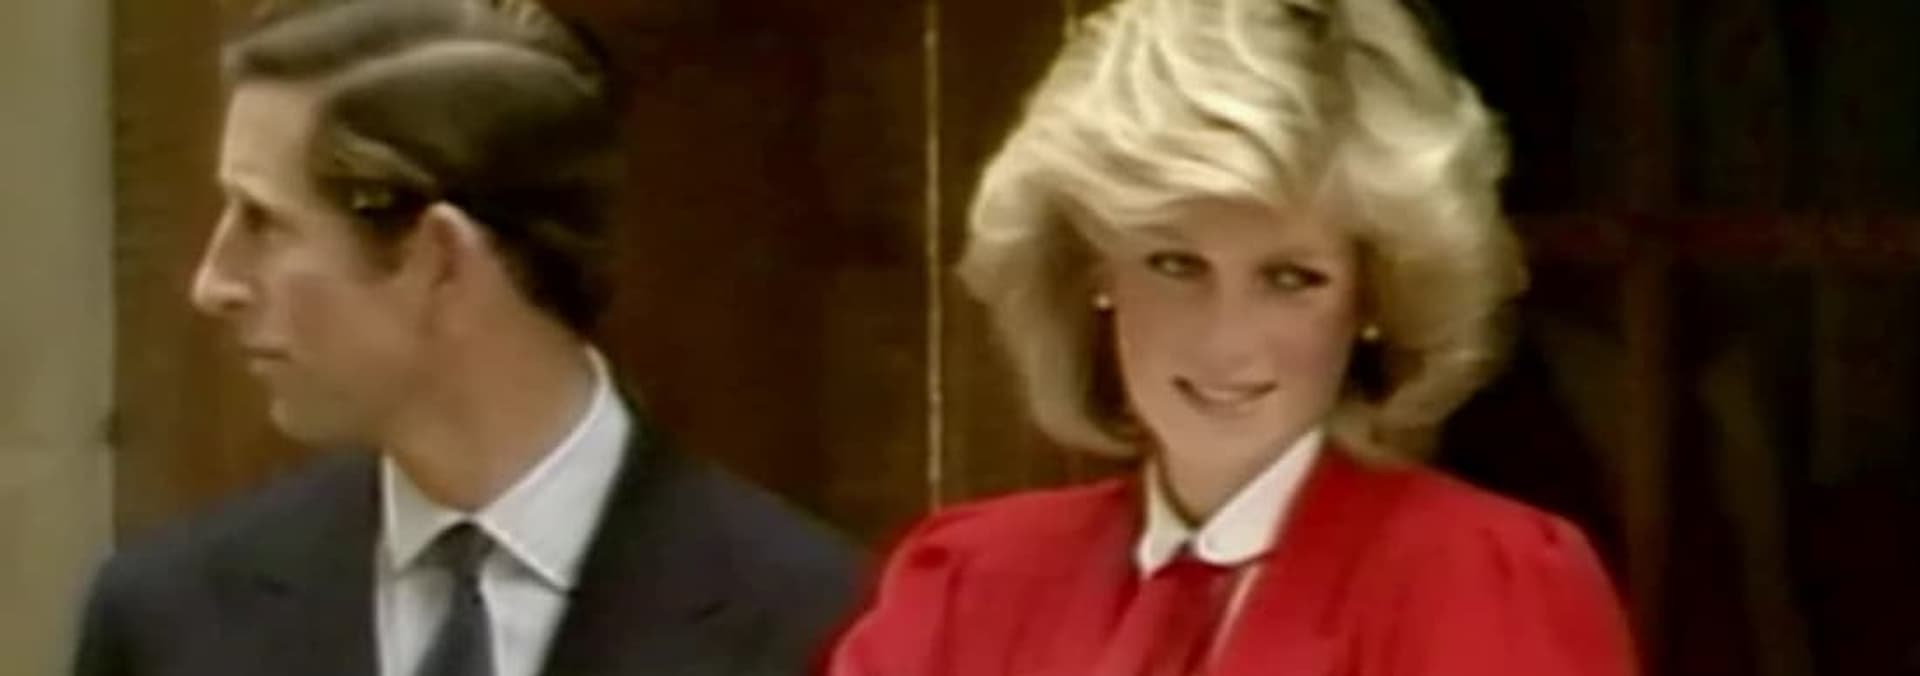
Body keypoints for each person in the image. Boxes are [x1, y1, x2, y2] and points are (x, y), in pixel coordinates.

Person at [828, 0, 1636, 673]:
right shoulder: (966, 584)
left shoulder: (1483, 580)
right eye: (1176, 264)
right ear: (1096, 270)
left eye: (1291, 279)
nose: (1227, 340)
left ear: (1373, 295)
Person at [72, 1, 857, 674]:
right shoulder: (170, 620)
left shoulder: (816, 625)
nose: (213, 285)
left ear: (440, 257)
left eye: (264, 222)